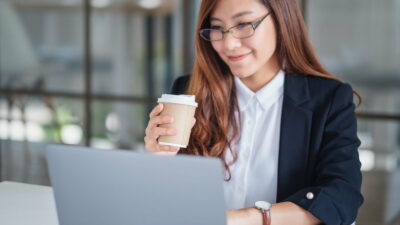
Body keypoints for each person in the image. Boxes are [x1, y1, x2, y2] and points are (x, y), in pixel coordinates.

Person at [144, 0, 363, 224]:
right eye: (217, 28)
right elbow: (169, 203)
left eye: (243, 24)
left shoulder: (327, 100)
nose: (228, 44)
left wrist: (242, 218)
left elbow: (341, 198)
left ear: (281, 20)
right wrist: (158, 161)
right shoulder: (189, 92)